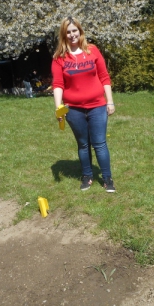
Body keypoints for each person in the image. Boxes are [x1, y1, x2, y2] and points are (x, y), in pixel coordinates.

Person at [51, 16, 116, 192]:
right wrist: (59, 108)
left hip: (97, 106)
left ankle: (107, 177)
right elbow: (58, 85)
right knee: (83, 144)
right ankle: (87, 176)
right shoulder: (59, 58)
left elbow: (104, 77)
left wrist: (109, 101)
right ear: (63, 35)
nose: (72, 35)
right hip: (74, 109)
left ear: (80, 31)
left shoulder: (92, 50)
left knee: (99, 143)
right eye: (68, 32)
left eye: (74, 30)